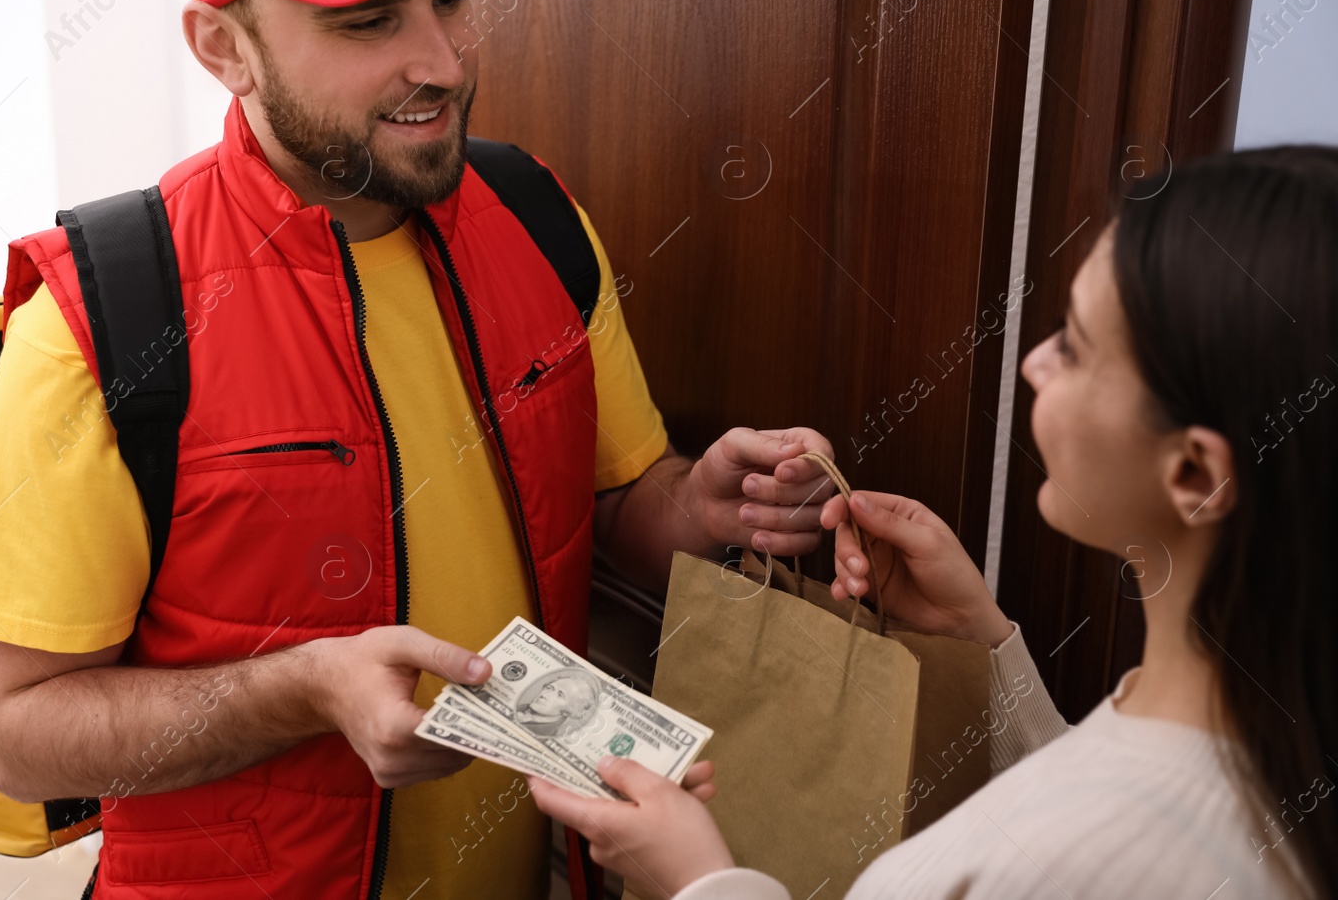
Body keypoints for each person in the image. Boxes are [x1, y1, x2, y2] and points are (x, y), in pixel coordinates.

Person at [0, 0, 837, 898]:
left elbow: (614, 506)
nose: (445, 61)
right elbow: (18, 736)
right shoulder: (99, 319)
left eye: (451, 0)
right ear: (222, 47)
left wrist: (700, 505)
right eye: (370, 19)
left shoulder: (538, 217)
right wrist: (304, 690)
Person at [532, 146, 1338, 900]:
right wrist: (984, 640)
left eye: (1078, 347)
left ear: (1194, 471)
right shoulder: (1266, 747)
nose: (1035, 361)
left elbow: (1087, 840)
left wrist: (699, 879)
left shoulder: (1090, 853)